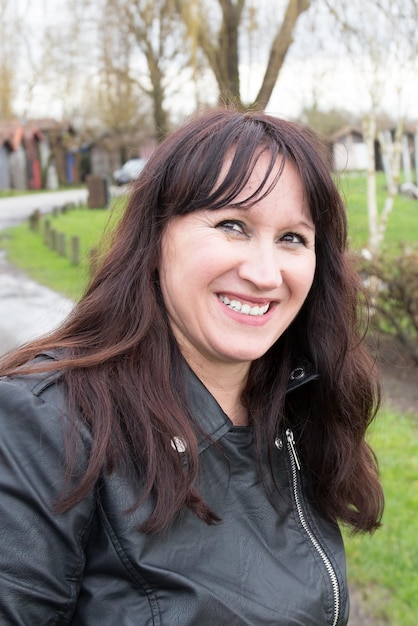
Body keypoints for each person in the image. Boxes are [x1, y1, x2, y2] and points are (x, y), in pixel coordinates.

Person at [0, 108, 383, 625]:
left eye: (292, 238)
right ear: (156, 237)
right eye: (232, 225)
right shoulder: (47, 425)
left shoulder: (298, 407)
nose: (265, 274)